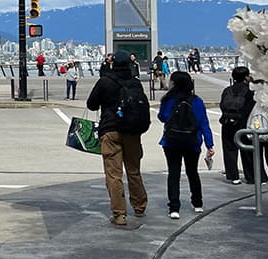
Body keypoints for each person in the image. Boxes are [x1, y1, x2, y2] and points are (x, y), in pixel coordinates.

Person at [87, 50, 149, 226]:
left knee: (114, 174)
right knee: (134, 170)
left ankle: (119, 213)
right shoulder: (135, 83)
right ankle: (139, 206)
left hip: (110, 130)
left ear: (112, 63)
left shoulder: (105, 82)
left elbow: (91, 105)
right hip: (132, 131)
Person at [157, 70, 215, 218]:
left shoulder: (168, 100)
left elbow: (162, 117)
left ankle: (174, 208)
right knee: (192, 172)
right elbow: (204, 124)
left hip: (171, 142)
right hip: (192, 142)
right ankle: (197, 203)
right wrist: (209, 144)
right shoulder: (197, 101)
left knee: (174, 174)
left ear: (174, 84)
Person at [218, 66, 256, 184]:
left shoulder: (227, 90)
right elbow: (251, 108)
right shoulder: (250, 91)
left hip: (227, 122)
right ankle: (250, 176)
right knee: (248, 150)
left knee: (229, 149)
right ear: (246, 77)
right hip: (243, 123)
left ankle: (233, 176)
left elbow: (222, 105)